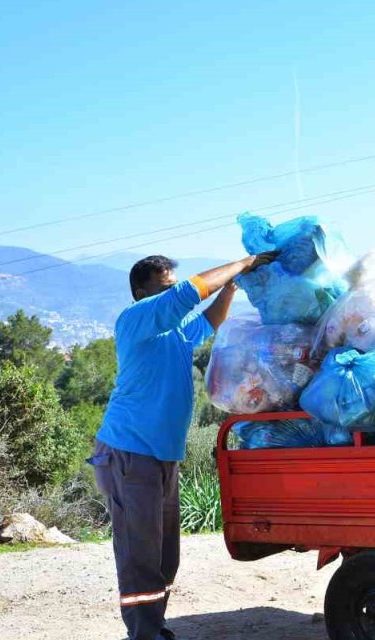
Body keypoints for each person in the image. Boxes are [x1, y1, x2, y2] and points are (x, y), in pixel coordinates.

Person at [89, 252, 276, 640]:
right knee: (139, 552)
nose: (173, 291)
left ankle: (155, 625)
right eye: (165, 286)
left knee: (164, 554)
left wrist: (232, 287)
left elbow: (209, 320)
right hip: (129, 452)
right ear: (143, 293)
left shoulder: (173, 333)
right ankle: (143, 633)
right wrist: (245, 262)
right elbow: (190, 294)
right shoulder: (135, 320)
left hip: (160, 455)